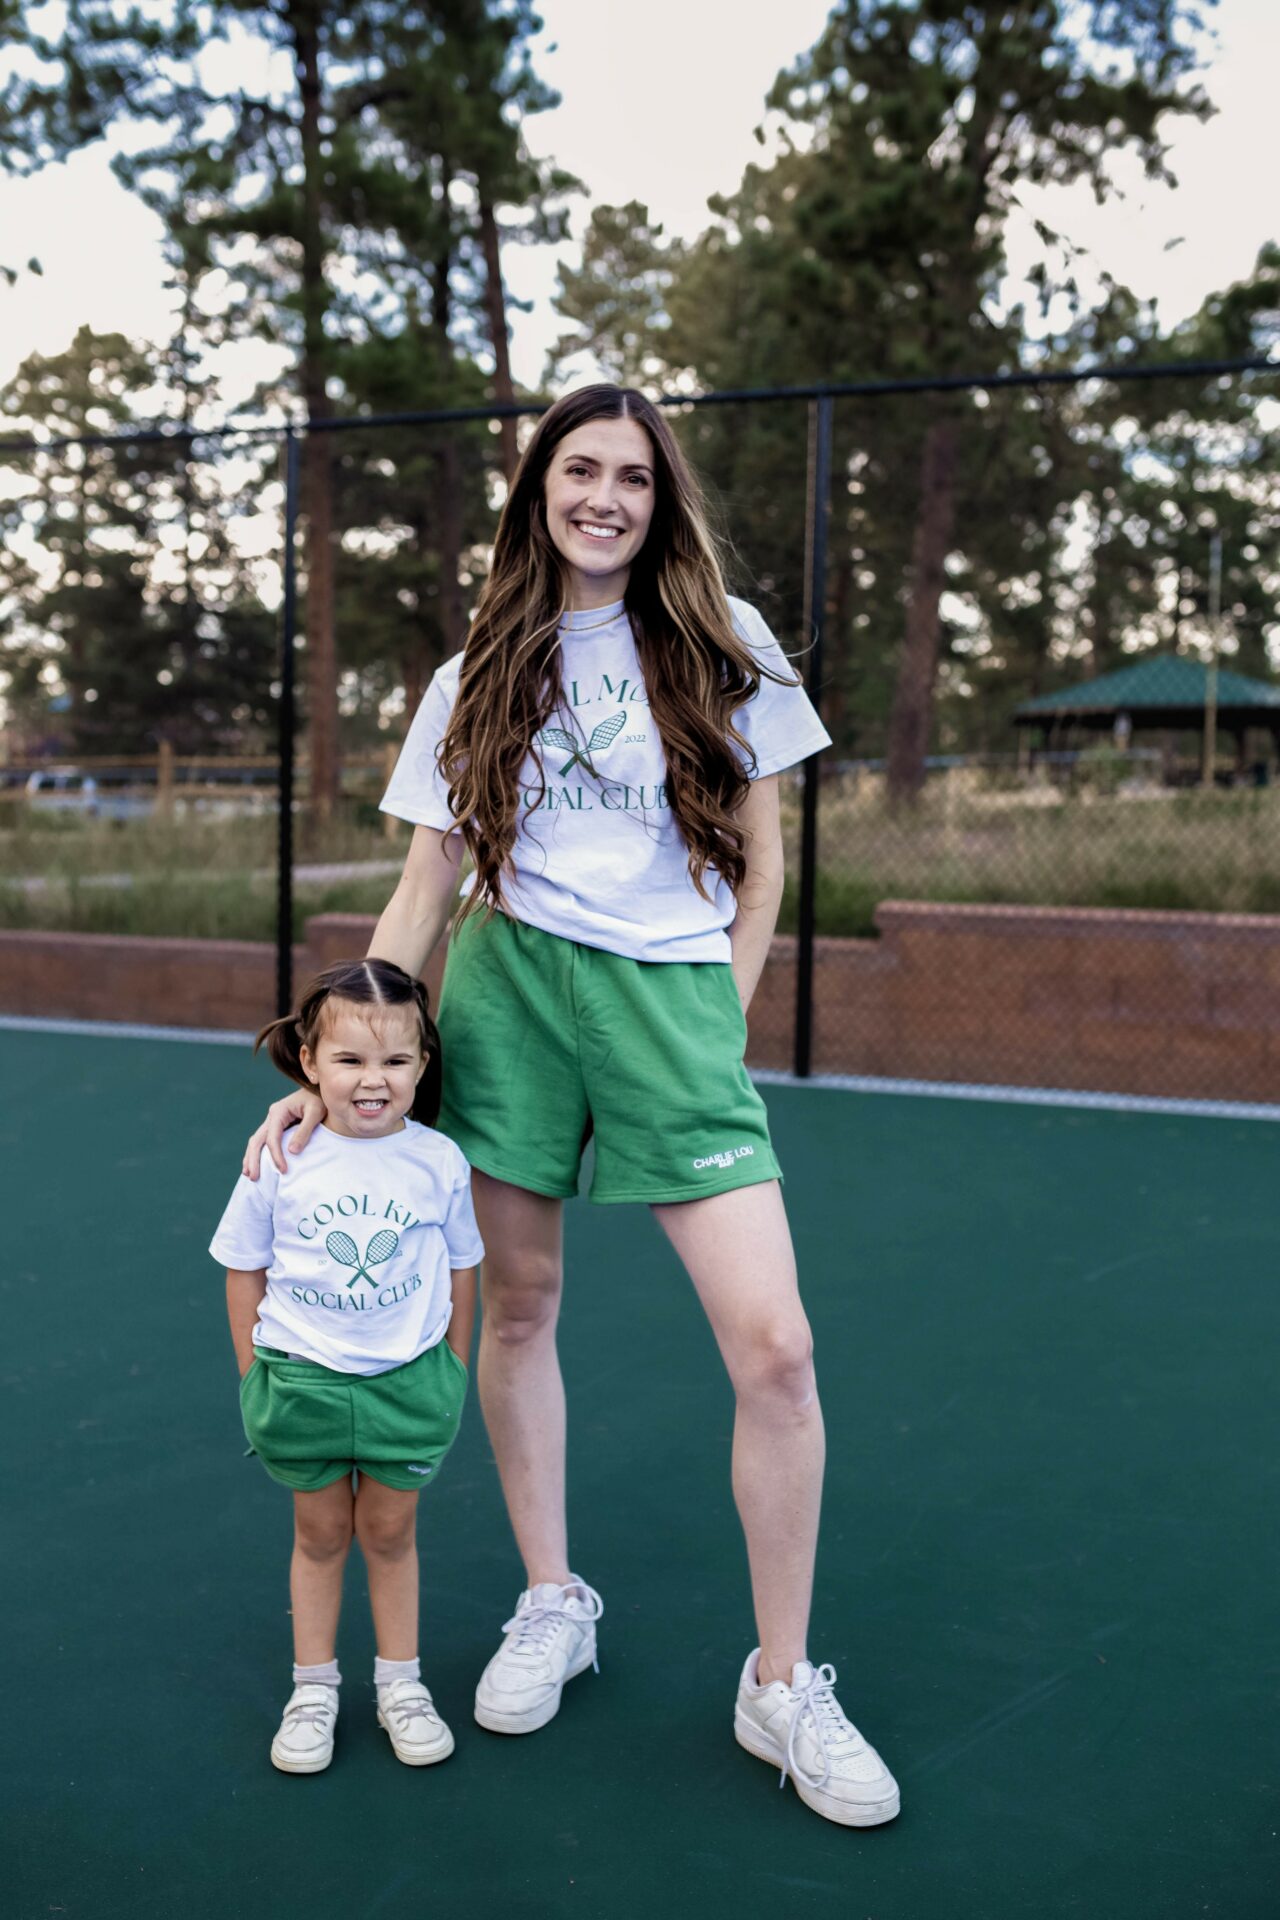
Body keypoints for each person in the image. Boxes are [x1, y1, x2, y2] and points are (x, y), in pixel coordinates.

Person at [244, 384, 900, 1826]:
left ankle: (781, 1683)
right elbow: (424, 888)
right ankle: (554, 1599)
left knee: (778, 1349)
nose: (605, 496)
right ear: (539, 487)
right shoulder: (479, 664)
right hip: (509, 996)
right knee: (520, 1307)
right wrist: (323, 1063)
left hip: (669, 1003)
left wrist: (718, 1009)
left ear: (662, 504)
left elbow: (764, 869)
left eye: (634, 478)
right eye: (580, 469)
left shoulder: (728, 645)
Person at [212, 957, 483, 1775]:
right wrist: (254, 1375)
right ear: (309, 1063)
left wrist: (452, 1370)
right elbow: (243, 1267)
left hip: (410, 1385)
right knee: (321, 1533)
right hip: (302, 1383)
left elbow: (462, 1267)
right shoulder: (280, 1156)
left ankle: (401, 1685)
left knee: (391, 1533)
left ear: (422, 1065)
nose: (374, 1080)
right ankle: (314, 1689)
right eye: (350, 1060)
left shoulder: (440, 1161)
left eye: (396, 1060)